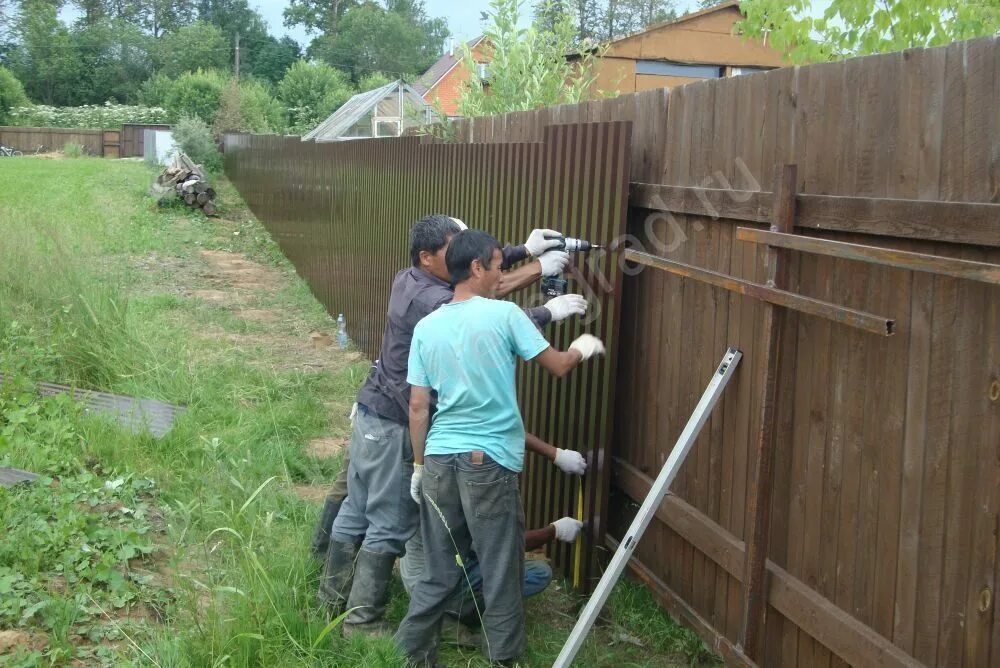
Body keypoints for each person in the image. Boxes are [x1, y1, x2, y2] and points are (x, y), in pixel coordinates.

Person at [317, 215, 589, 636]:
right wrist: (543, 302)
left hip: (372, 415)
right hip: (396, 426)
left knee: (355, 510)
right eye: (453, 246)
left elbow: (475, 273)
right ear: (428, 258)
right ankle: (360, 622)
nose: (464, 254)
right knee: (389, 523)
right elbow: (482, 303)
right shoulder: (432, 303)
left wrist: (525, 251)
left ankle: (329, 602)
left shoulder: (408, 277)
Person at [396, 229, 606, 666]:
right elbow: (560, 366)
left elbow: (418, 407)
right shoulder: (504, 316)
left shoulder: (427, 327)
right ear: (475, 268)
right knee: (501, 571)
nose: (499, 275)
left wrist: (418, 466)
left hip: (437, 460)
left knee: (438, 570)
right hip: (487, 464)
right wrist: (584, 347)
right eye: (496, 266)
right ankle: (503, 660)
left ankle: (410, 656)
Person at [399, 514, 584, 647]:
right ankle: (469, 614)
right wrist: (554, 531)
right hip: (441, 588)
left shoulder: (429, 493)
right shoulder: (450, 508)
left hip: (425, 587)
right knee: (539, 573)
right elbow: (502, 545)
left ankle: (457, 613)